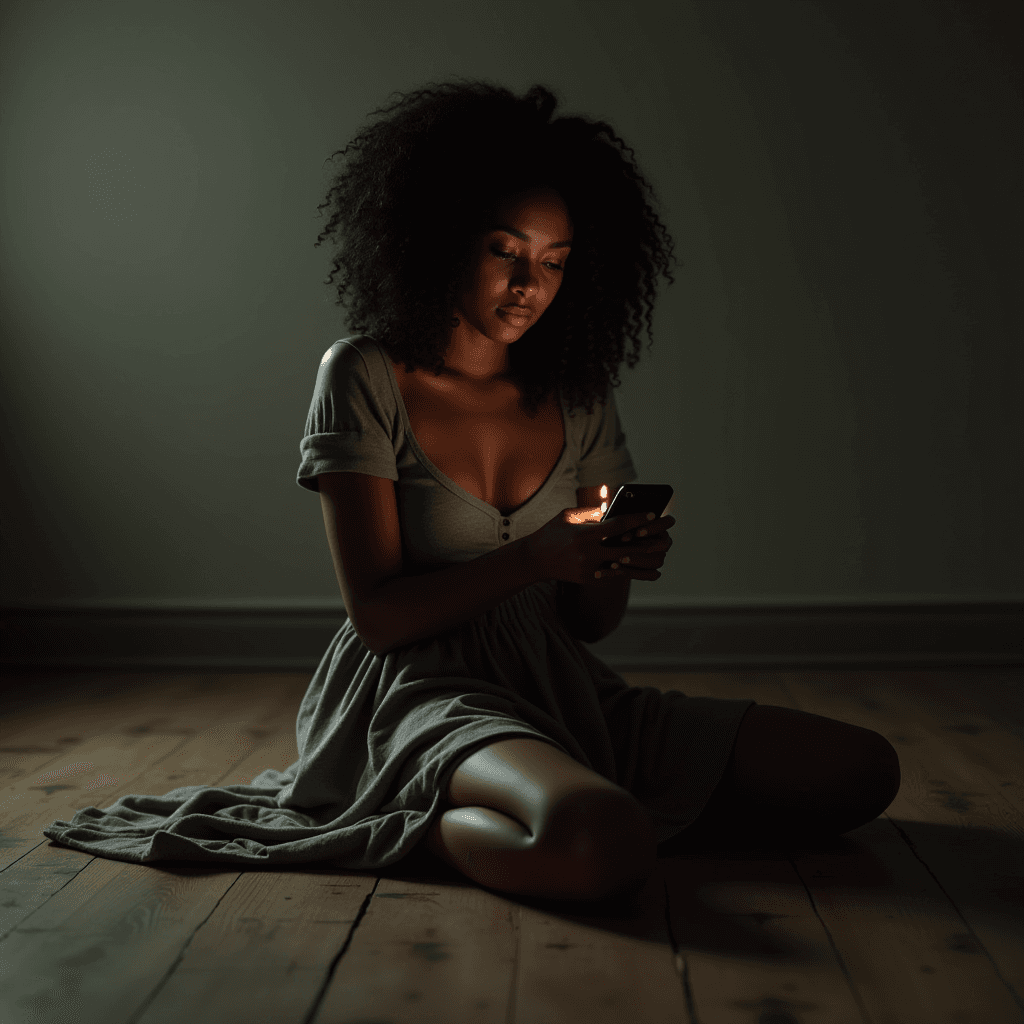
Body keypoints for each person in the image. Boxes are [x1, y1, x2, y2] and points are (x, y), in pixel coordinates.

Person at [43, 80, 900, 904]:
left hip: (563, 690)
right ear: (442, 236)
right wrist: (536, 555)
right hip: (421, 693)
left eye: (555, 263)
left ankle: (539, 798)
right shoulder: (365, 373)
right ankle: (410, 821)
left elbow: (590, 625)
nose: (529, 285)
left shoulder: (577, 391)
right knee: (602, 842)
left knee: (861, 771)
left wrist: (612, 561)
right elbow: (377, 615)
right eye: (505, 252)